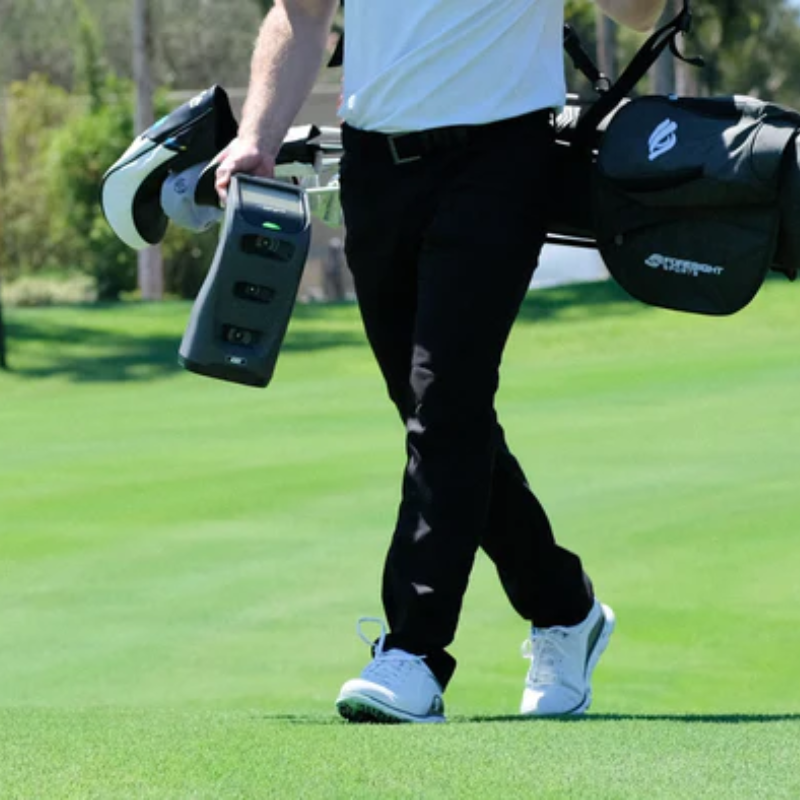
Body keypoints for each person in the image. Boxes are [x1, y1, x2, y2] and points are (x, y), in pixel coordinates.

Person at [214, 0, 668, 723]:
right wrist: (255, 137)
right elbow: (300, 14)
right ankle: (563, 605)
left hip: (502, 161)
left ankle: (415, 653)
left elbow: (642, 11)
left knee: (446, 397)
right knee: (433, 409)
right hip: (375, 165)